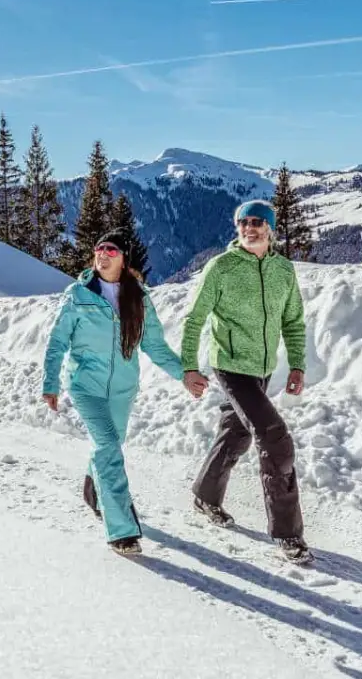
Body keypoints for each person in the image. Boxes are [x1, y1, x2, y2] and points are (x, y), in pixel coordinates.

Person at [42, 229, 190, 556]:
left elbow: (154, 345)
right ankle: (122, 530)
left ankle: (93, 489)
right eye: (99, 248)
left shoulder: (138, 297)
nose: (103, 253)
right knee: (108, 446)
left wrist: (186, 374)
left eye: (111, 249)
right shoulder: (78, 294)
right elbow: (57, 342)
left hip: (122, 389)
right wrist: (50, 382)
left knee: (107, 448)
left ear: (123, 259)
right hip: (85, 385)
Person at [180, 199, 313, 563]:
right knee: (275, 437)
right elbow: (194, 319)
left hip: (264, 367)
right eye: (243, 222)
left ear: (270, 228)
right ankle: (288, 534)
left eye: (257, 222)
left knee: (236, 433)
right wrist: (189, 367)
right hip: (231, 366)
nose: (250, 228)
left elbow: (293, 322)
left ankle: (205, 496)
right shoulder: (221, 268)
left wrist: (297, 366)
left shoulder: (283, 270)